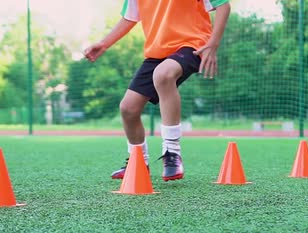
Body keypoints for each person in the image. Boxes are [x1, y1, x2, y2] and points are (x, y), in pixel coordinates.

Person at [84, 0, 231, 181]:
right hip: (157, 53)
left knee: (163, 75)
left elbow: (224, 5)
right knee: (128, 108)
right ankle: (138, 162)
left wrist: (213, 43)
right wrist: (104, 44)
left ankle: (172, 153)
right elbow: (129, 18)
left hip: (193, 45)